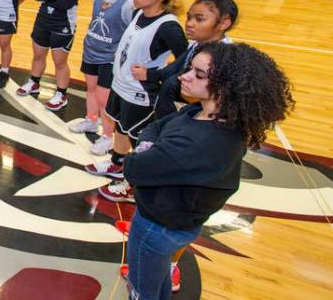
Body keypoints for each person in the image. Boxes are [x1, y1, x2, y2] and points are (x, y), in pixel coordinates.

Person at [122, 42, 293, 300]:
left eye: (198, 75)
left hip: (158, 227)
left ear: (226, 87)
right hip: (180, 223)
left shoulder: (196, 143)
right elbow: (157, 127)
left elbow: (133, 167)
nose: (184, 76)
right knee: (158, 283)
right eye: (190, 68)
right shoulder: (206, 114)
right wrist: (150, 144)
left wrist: (143, 148)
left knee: (141, 288)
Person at [118, 0, 239, 296]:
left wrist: (143, 154)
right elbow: (172, 89)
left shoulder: (202, 135)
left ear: (223, 23)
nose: (190, 23)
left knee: (144, 284)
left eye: (200, 19)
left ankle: (170, 265)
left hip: (163, 220)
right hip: (173, 213)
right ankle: (162, 266)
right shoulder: (197, 107)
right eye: (191, 16)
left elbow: (139, 167)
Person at [85, 0, 189, 203]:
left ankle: (134, 185)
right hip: (121, 85)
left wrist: (154, 74)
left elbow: (187, 60)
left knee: (140, 140)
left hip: (141, 93)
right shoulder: (138, 12)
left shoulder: (168, 26)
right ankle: (117, 165)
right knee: (121, 128)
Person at [68, 0, 136, 155]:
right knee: (90, 89)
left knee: (104, 98)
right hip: (91, 50)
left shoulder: (129, 4)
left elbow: (131, 33)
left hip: (110, 57)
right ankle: (91, 120)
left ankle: (107, 137)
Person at [16, 0, 86, 109]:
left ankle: (62, 94)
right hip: (42, 21)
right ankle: (34, 82)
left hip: (62, 26)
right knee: (38, 55)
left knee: (60, 62)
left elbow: (66, 4)